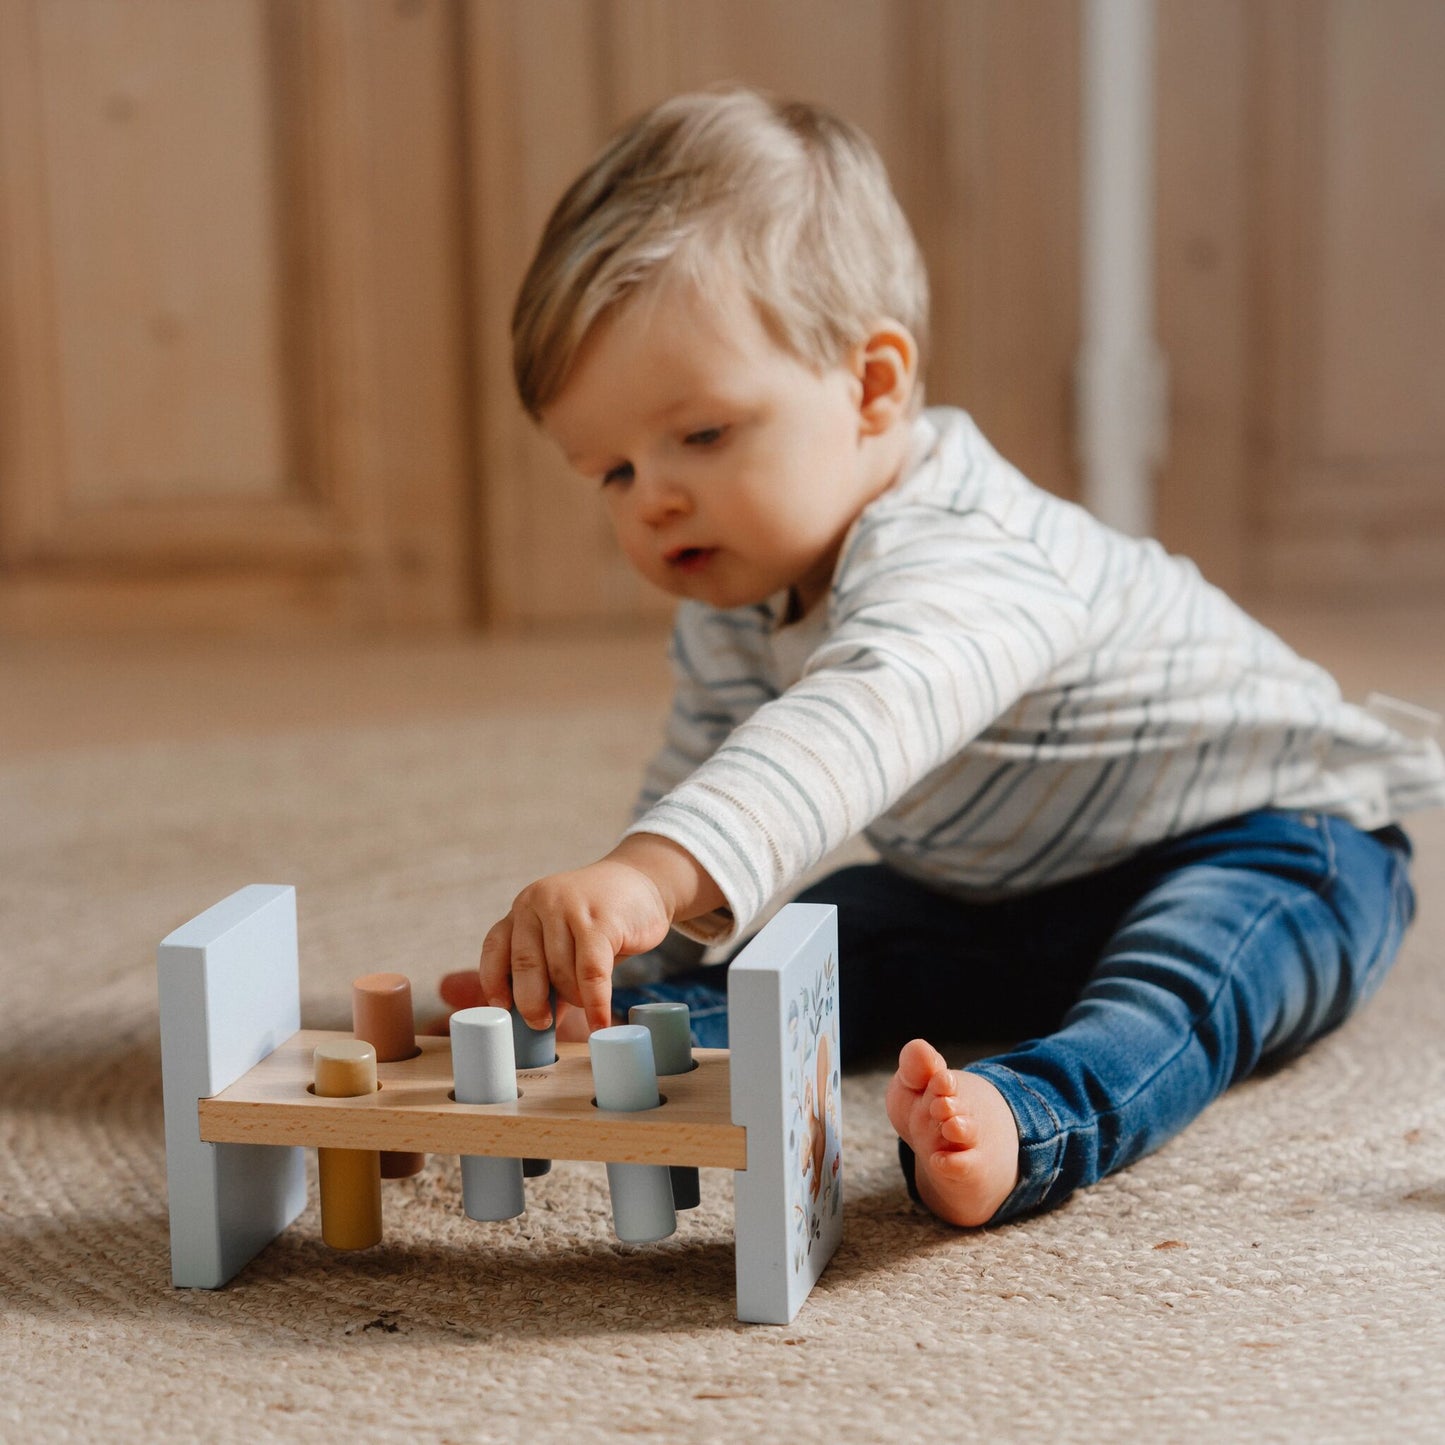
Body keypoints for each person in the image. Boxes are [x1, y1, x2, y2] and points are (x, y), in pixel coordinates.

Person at [475, 88, 1443, 1227]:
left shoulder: (964, 551)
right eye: (613, 471)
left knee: (1184, 980)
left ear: (871, 386)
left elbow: (849, 724)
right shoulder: (734, 591)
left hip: (1277, 842)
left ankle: (1027, 1115)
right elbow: (706, 778)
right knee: (838, 930)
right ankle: (621, 1029)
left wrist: (644, 874)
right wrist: (607, 951)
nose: (654, 498)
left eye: (701, 434)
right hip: (1011, 889)